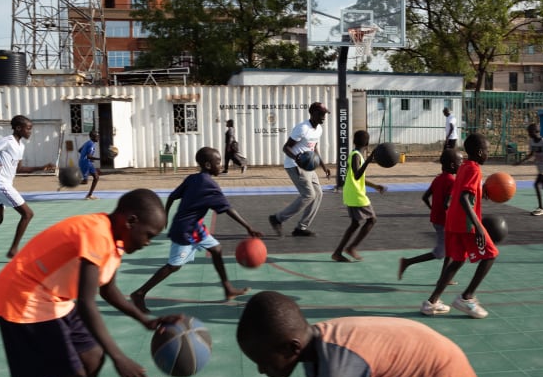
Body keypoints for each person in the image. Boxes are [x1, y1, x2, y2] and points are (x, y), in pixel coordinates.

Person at [0, 188, 185, 377]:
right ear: (131, 221)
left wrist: (145, 320)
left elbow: (108, 290)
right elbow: (86, 303)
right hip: (22, 295)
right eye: (148, 235)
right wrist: (119, 357)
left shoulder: (113, 239)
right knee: (73, 375)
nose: (147, 243)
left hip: (50, 296)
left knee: (92, 358)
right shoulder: (97, 233)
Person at [237, 290, 485, 377]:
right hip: (418, 371)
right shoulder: (313, 346)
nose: (261, 370)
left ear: (292, 348)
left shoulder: (338, 368)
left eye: (263, 360)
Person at [130, 146, 262, 313]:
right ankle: (139, 293)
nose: (220, 165)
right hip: (186, 230)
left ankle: (228, 288)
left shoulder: (193, 178)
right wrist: (248, 227)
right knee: (174, 266)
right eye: (218, 162)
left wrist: (165, 216)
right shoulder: (210, 185)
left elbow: (172, 196)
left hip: (195, 227)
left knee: (216, 249)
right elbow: (228, 209)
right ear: (208, 165)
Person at [421, 133, 498, 319]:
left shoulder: (464, 166)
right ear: (480, 152)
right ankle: (467, 297)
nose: (488, 154)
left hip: (452, 222)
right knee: (490, 255)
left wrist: (480, 191)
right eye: (487, 151)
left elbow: (463, 192)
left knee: (457, 260)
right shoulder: (475, 169)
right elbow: (464, 197)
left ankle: (431, 303)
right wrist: (478, 226)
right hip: (466, 224)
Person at [0, 115, 55, 262]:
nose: (30, 132)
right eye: (28, 128)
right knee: (28, 214)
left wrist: (41, 167)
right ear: (18, 128)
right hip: (0, 182)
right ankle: (14, 250)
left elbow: (20, 169)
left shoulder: (20, 146)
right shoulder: (8, 141)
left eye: (30, 129)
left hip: (0, 182)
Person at [398, 148, 463, 283]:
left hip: (437, 220)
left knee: (449, 249)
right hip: (445, 222)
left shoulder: (438, 179)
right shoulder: (452, 182)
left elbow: (425, 197)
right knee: (440, 252)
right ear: (452, 165)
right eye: (460, 162)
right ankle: (408, 262)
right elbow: (447, 204)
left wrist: (433, 209)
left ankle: (444, 278)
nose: (462, 165)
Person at [269, 102, 331, 237]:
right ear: (312, 113)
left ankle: (301, 228)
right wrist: (296, 157)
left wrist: (323, 165)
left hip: (309, 165)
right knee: (309, 195)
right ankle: (277, 219)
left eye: (325, 114)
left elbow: (314, 148)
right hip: (295, 164)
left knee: (318, 194)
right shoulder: (302, 128)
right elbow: (286, 148)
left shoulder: (319, 129)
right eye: (321, 114)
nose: (323, 117)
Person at [331, 130, 385, 262]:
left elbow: (359, 178)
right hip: (356, 195)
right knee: (371, 220)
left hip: (351, 193)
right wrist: (368, 161)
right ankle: (351, 248)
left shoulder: (356, 155)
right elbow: (357, 175)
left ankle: (338, 252)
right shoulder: (356, 155)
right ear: (367, 143)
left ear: (354, 141)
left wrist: (375, 186)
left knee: (355, 224)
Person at [78, 130, 101, 200]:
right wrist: (99, 159)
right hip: (86, 163)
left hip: (85, 162)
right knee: (87, 181)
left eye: (98, 136)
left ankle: (89, 195)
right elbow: (89, 156)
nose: (98, 138)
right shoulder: (91, 145)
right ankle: (71, 181)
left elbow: (79, 150)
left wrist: (86, 156)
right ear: (92, 137)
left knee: (96, 177)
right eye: (97, 136)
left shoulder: (88, 143)